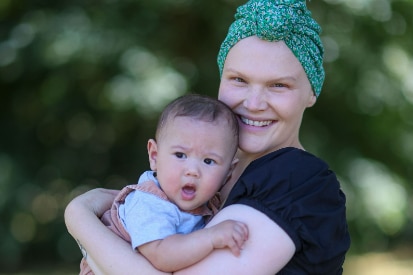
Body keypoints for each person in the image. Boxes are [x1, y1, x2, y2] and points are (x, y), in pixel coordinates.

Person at [65, 0, 351, 274]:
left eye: (278, 85)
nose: (253, 103)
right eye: (239, 80)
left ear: (312, 92)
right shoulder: (207, 170)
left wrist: (79, 218)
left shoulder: (297, 181)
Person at [77, 94, 248, 274]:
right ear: (154, 156)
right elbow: (162, 255)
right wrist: (211, 237)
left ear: (228, 173)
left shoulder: (211, 204)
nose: (192, 171)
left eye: (208, 161)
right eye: (180, 155)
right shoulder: (149, 202)